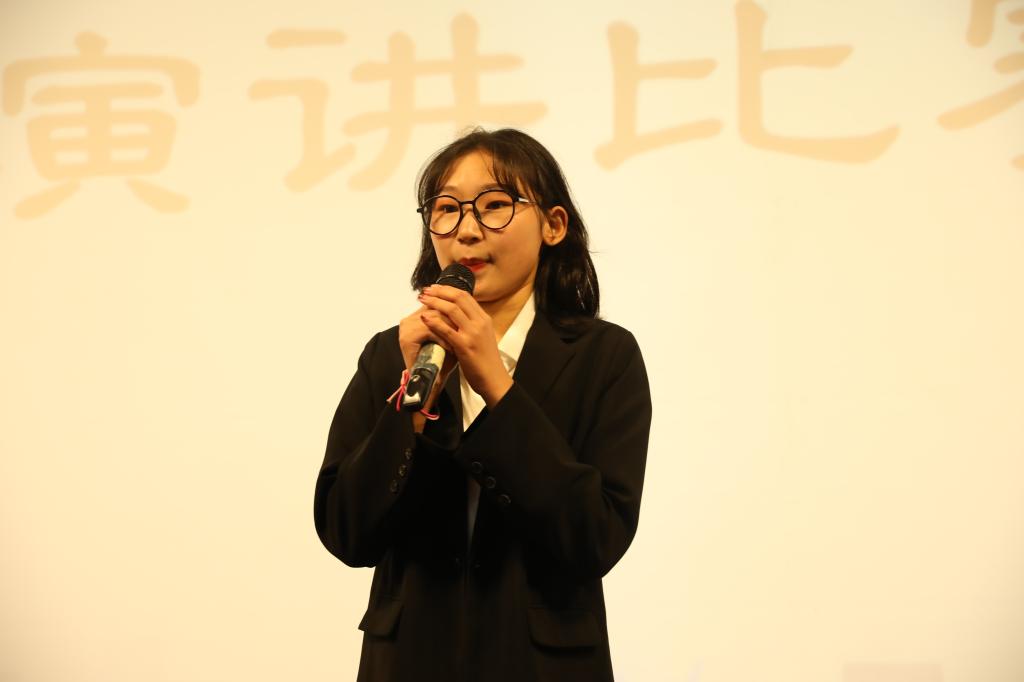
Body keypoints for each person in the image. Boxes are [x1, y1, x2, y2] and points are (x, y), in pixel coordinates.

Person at [314, 127, 652, 682]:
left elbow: (596, 536)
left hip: (544, 667)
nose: (467, 230)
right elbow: (346, 531)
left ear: (553, 225)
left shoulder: (604, 355)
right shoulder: (393, 353)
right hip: (408, 663)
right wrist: (411, 409)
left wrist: (497, 384)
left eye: (495, 205)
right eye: (447, 210)